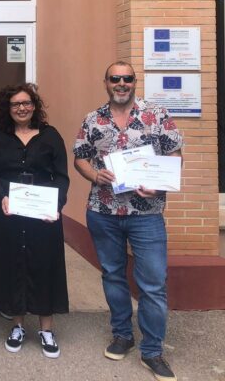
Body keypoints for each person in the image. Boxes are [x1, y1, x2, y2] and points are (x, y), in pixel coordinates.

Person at [73, 61, 183, 381]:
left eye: (127, 79)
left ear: (135, 82)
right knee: (113, 275)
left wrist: (159, 184)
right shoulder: (93, 119)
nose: (121, 83)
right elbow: (80, 157)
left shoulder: (156, 114)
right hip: (103, 211)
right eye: (115, 79)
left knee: (153, 283)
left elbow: (174, 154)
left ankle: (152, 351)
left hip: (146, 215)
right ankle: (122, 334)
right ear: (106, 82)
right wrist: (95, 174)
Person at [0, 83, 69, 359]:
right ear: (8, 108)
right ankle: (17, 325)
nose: (22, 108)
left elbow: (61, 176)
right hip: (8, 212)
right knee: (13, 265)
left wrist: (56, 205)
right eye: (16, 104)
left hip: (43, 215)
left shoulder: (50, 135)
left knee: (44, 265)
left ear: (35, 106)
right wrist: (1, 196)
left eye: (27, 103)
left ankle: (46, 329)